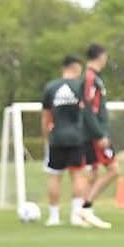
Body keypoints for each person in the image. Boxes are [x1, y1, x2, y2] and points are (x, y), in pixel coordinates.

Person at [41, 56, 90, 227]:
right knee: (77, 175)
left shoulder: (51, 87)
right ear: (76, 68)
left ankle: (53, 216)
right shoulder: (81, 87)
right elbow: (88, 113)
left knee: (55, 176)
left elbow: (46, 116)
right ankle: (76, 215)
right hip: (77, 137)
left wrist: (46, 137)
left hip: (57, 137)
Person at [79, 43, 118, 229]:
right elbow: (87, 108)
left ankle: (84, 211)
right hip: (95, 135)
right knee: (114, 170)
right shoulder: (89, 78)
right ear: (101, 56)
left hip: (94, 133)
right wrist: (100, 133)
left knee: (93, 173)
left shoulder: (94, 78)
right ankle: (86, 207)